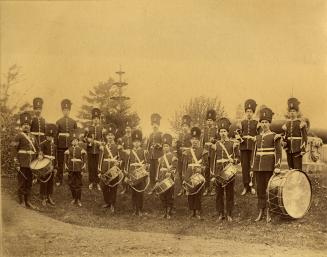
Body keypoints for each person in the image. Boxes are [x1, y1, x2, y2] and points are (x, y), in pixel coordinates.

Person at [251, 107, 282, 222]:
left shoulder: (275, 136)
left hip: (269, 167)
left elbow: (278, 153)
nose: (264, 124)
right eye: (262, 122)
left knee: (269, 190)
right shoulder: (257, 138)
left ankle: (269, 212)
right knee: (260, 190)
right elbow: (254, 153)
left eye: (266, 122)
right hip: (258, 167)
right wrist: (252, 167)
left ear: (270, 123)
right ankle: (261, 211)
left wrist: (277, 166)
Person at [213, 118, 240, 222]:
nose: (223, 133)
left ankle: (229, 213)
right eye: (221, 131)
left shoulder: (233, 144)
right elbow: (214, 160)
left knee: (229, 193)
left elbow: (238, 158)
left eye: (224, 131)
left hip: (229, 170)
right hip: (219, 170)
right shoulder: (216, 145)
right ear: (219, 133)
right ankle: (220, 214)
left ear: (228, 132)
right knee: (219, 193)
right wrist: (213, 173)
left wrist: (234, 161)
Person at [11, 112, 39, 209]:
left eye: (28, 125)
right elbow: (14, 150)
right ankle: (22, 201)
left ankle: (28, 201)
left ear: (30, 126)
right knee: (22, 182)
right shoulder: (18, 136)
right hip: (22, 163)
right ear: (21, 126)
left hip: (31, 164)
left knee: (29, 182)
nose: (26, 126)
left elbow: (37, 149)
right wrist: (16, 162)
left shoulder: (33, 137)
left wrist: (38, 158)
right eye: (24, 125)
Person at [182, 127, 208, 219]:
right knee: (190, 192)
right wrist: (184, 177)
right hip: (189, 173)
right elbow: (184, 166)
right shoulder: (187, 152)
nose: (194, 141)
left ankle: (197, 211)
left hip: (199, 174)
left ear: (199, 140)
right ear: (190, 140)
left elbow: (206, 164)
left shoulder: (203, 151)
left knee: (198, 192)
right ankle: (192, 211)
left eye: (196, 139)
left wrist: (201, 169)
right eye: (193, 139)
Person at [236, 99, 259, 196]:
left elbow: (259, 135)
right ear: (245, 112)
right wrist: (238, 135)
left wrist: (255, 138)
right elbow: (238, 134)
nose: (249, 113)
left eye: (250, 111)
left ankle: (252, 185)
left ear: (253, 112)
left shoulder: (256, 123)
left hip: (253, 147)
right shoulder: (242, 123)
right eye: (247, 111)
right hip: (244, 147)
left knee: (253, 166)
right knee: (244, 167)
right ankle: (246, 186)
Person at [98, 123, 122, 213]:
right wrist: (99, 171)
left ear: (114, 137)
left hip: (114, 170)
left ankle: (112, 204)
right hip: (104, 169)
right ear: (106, 137)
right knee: (104, 187)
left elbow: (120, 159)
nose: (110, 137)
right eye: (108, 135)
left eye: (112, 135)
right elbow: (100, 159)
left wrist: (118, 164)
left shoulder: (117, 147)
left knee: (113, 187)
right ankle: (107, 202)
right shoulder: (103, 148)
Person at [125, 129, 150, 216]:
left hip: (141, 175)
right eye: (134, 142)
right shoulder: (129, 152)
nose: (136, 143)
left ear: (140, 142)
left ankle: (139, 209)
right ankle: (134, 208)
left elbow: (148, 163)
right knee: (133, 193)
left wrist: (145, 168)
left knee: (140, 192)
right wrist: (127, 176)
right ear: (132, 142)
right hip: (132, 175)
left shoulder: (144, 151)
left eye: (138, 141)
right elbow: (127, 164)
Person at [155, 133, 178, 219]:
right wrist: (157, 179)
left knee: (169, 195)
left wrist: (171, 173)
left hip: (169, 178)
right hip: (162, 177)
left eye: (167, 146)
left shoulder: (173, 157)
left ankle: (169, 211)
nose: (165, 148)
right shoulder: (160, 158)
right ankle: (164, 211)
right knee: (162, 195)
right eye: (164, 146)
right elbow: (158, 169)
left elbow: (175, 168)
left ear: (170, 147)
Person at [56, 99, 77, 186]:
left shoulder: (73, 122)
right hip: (61, 145)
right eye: (64, 110)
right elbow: (56, 134)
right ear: (62, 111)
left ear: (69, 111)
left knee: (70, 162)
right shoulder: (58, 121)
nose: (66, 112)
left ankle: (71, 179)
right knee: (60, 163)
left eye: (67, 110)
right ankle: (59, 179)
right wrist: (57, 145)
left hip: (70, 145)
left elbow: (75, 134)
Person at [282, 97, 308, 171]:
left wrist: (303, 149)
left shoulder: (301, 123)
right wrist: (284, 144)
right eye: (290, 111)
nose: (292, 113)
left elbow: (304, 137)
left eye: (294, 111)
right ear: (289, 113)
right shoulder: (286, 124)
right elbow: (285, 136)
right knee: (290, 169)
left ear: (297, 112)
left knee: (297, 170)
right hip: (289, 149)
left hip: (298, 150)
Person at [64, 128, 87, 207]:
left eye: (76, 140)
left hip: (78, 169)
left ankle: (79, 199)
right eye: (73, 141)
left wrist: (83, 170)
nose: (74, 142)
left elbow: (84, 161)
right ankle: (74, 198)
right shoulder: (68, 150)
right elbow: (66, 161)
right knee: (71, 184)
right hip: (71, 169)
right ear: (71, 142)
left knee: (78, 184)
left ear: (78, 141)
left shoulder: (81, 150)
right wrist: (66, 169)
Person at [85, 108, 104, 191]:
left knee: (97, 167)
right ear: (92, 119)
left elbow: (104, 140)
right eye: (94, 118)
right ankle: (91, 182)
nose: (96, 120)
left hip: (98, 151)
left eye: (97, 118)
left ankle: (97, 182)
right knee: (91, 166)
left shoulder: (101, 129)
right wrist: (88, 140)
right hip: (90, 150)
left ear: (99, 119)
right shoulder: (89, 128)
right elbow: (84, 138)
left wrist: (101, 144)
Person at [39, 123, 58, 206]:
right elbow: (40, 156)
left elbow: (55, 157)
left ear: (53, 137)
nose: (49, 137)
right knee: (44, 181)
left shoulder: (54, 146)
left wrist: (55, 167)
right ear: (46, 136)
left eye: (51, 136)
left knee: (51, 182)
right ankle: (43, 198)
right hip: (45, 167)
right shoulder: (42, 144)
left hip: (52, 166)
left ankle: (49, 196)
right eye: (48, 136)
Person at [201, 109, 218, 196]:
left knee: (213, 170)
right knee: (206, 170)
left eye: (211, 120)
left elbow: (218, 141)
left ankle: (214, 187)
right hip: (206, 152)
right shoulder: (204, 130)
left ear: (213, 121)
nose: (209, 122)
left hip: (213, 152)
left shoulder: (216, 129)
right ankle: (206, 187)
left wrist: (214, 140)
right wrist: (203, 151)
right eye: (208, 120)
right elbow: (202, 142)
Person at [146, 113, 163, 194]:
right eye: (153, 124)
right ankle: (152, 188)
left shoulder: (161, 134)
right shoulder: (150, 134)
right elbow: (148, 145)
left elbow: (164, 145)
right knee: (151, 172)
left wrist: (159, 145)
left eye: (156, 124)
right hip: (151, 156)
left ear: (158, 125)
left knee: (157, 172)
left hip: (158, 156)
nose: (154, 126)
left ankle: (158, 188)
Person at [176, 115, 192, 196]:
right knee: (180, 173)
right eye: (183, 126)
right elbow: (177, 146)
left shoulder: (191, 135)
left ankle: (187, 188)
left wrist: (187, 150)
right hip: (180, 157)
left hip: (187, 157)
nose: (184, 127)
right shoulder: (179, 135)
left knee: (187, 172)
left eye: (186, 126)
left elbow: (192, 147)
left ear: (188, 127)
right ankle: (182, 188)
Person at [117, 119, 133, 194]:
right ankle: (124, 188)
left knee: (131, 172)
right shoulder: (122, 139)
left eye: (129, 128)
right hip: (124, 158)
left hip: (132, 158)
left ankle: (131, 187)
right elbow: (120, 150)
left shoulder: (134, 138)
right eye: (126, 128)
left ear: (131, 129)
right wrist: (121, 158)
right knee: (124, 173)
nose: (127, 130)